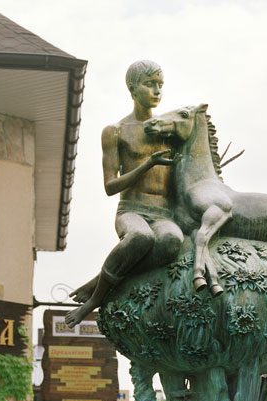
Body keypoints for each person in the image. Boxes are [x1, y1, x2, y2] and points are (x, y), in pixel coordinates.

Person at [65, 60, 183, 328]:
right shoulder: (115, 132)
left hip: (164, 212)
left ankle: (100, 279)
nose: (156, 91)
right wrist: (148, 164)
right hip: (132, 209)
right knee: (141, 237)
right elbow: (110, 187)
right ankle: (94, 300)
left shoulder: (169, 130)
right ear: (132, 88)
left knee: (171, 241)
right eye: (149, 84)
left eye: (160, 85)